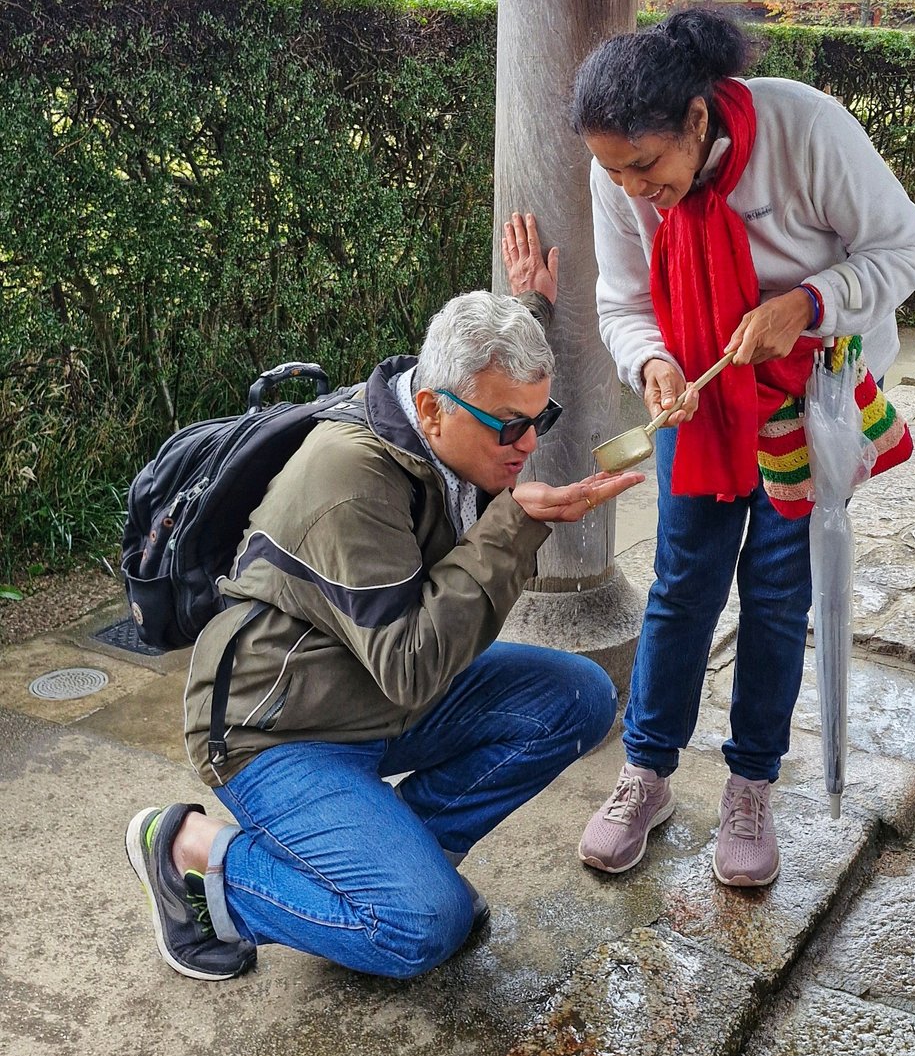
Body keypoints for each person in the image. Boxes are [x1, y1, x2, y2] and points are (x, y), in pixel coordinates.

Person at [126, 255, 639, 983]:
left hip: (369, 694)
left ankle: (393, 867)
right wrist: (511, 529)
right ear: (431, 410)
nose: (527, 445)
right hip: (274, 726)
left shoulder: (443, 411)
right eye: (510, 428)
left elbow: (480, 374)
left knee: (578, 697)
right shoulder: (351, 479)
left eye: (539, 420)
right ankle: (195, 857)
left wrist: (528, 304)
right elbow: (413, 665)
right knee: (417, 928)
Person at [573, 8, 915, 888]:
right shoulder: (622, 175)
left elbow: (908, 248)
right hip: (701, 396)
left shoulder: (804, 129)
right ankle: (648, 771)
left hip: (808, 395)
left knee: (777, 592)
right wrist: (652, 360)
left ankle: (750, 783)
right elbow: (624, 301)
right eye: (612, 169)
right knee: (681, 581)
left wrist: (807, 304)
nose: (632, 190)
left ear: (697, 121)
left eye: (646, 167)